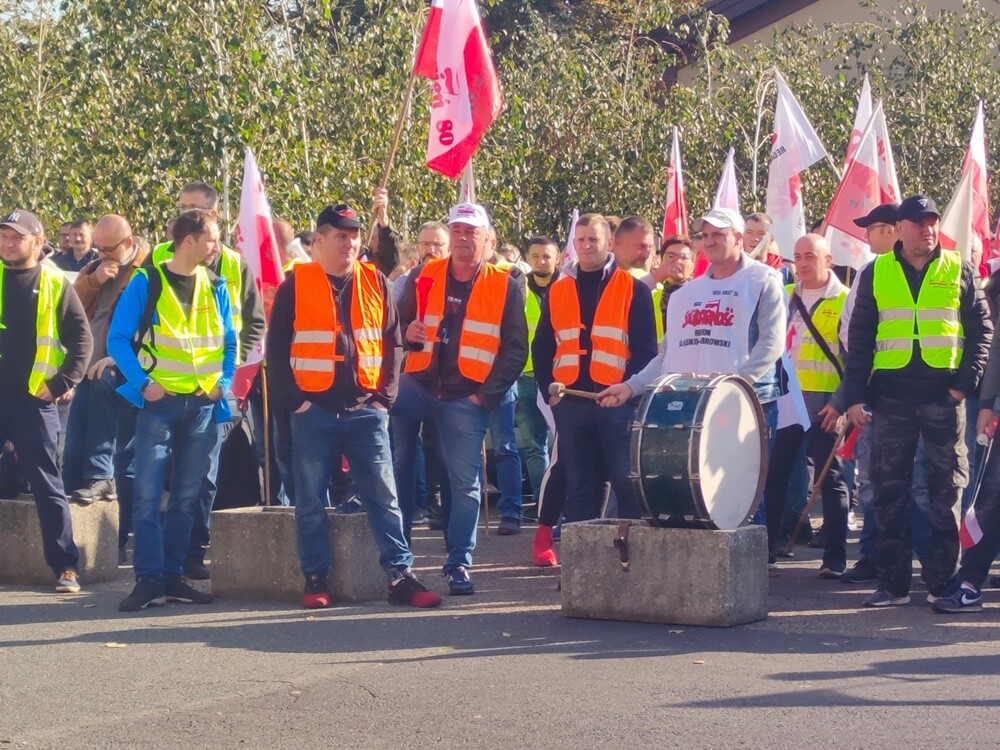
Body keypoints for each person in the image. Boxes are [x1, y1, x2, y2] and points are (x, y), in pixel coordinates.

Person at [266, 203, 442, 610]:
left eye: (355, 236)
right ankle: (315, 576)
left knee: (383, 495)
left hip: (366, 408)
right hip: (314, 410)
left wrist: (384, 400)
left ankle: (399, 574)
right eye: (340, 236)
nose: (349, 243)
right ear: (318, 241)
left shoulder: (374, 280)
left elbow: (393, 341)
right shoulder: (297, 283)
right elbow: (276, 351)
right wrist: (297, 403)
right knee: (310, 499)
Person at [843, 195, 992, 608]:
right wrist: (854, 397)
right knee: (888, 493)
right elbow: (859, 341)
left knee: (947, 493)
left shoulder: (958, 267)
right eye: (918, 223)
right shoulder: (878, 272)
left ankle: (943, 583)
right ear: (901, 228)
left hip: (944, 400)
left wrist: (963, 386)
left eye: (932, 222)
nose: (927, 229)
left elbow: (982, 331)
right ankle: (892, 584)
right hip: (890, 400)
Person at [107, 210, 237, 611]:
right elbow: (117, 340)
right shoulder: (147, 281)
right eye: (212, 238)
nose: (217, 246)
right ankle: (148, 580)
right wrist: (144, 384)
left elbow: (229, 341)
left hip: (200, 404)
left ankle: (171, 576)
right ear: (189, 240)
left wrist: (223, 385)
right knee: (147, 495)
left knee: (186, 496)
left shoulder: (215, 284)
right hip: (158, 406)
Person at [395, 202, 528, 595]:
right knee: (396, 462)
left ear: (488, 238)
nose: (463, 238)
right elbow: (395, 325)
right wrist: (409, 330)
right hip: (417, 385)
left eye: (471, 232)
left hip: (465, 397)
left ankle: (458, 565)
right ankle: (396, 556)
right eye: (457, 231)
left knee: (465, 483)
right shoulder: (424, 274)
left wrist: (484, 398)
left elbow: (516, 350)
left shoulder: (505, 283)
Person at [151, 181, 266, 580]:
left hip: (218, 388)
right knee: (162, 474)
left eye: (193, 209)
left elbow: (254, 322)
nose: (183, 216)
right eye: (180, 208)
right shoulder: (159, 260)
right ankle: (161, 557)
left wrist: (231, 375)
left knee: (203, 476)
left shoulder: (234, 266)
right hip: (167, 388)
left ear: (213, 217)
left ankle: (192, 552)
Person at [599, 207, 786, 443]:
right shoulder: (686, 294)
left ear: (738, 238)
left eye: (718, 234)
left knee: (744, 479)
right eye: (705, 236)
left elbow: (772, 343)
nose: (709, 241)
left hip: (749, 403)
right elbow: (667, 356)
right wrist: (630, 386)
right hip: (694, 406)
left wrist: (735, 387)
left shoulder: (763, 280)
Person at [532, 213, 657, 524]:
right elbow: (543, 345)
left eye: (594, 239)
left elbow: (645, 351)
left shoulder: (633, 289)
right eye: (581, 239)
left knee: (626, 483)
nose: (587, 246)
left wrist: (627, 391)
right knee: (580, 487)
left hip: (616, 402)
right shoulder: (558, 290)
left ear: (609, 243)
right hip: (571, 402)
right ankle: (581, 562)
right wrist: (550, 391)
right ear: (574, 244)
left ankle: (629, 558)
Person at [0, 209, 93, 594]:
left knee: (46, 482)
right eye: (3, 237)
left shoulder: (55, 283)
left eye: (16, 237)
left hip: (32, 401)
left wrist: (60, 383)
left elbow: (81, 342)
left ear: (38, 242)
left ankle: (65, 567)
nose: (7, 244)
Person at [765, 234, 850, 574]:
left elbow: (856, 360)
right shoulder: (783, 298)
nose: (801, 263)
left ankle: (835, 557)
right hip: (786, 405)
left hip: (825, 405)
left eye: (810, 256)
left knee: (831, 481)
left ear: (828, 259)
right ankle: (768, 548)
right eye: (797, 256)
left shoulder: (846, 301)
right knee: (776, 476)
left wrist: (840, 403)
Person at [64, 215, 149, 507]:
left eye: (107, 249)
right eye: (97, 248)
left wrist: (119, 358)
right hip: (89, 366)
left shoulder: (146, 271)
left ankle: (103, 481)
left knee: (118, 455)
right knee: (74, 448)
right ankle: (73, 495)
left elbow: (149, 325)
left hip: (121, 369)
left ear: (127, 243)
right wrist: (93, 281)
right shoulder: (93, 267)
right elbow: (69, 306)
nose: (101, 254)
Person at [518, 237, 560, 504]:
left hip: (560, 376)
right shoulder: (519, 291)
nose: (541, 261)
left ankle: (561, 502)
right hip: (526, 376)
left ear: (557, 258)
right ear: (528, 258)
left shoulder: (568, 288)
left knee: (563, 443)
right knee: (534, 445)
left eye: (546, 256)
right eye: (535, 256)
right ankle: (543, 501)